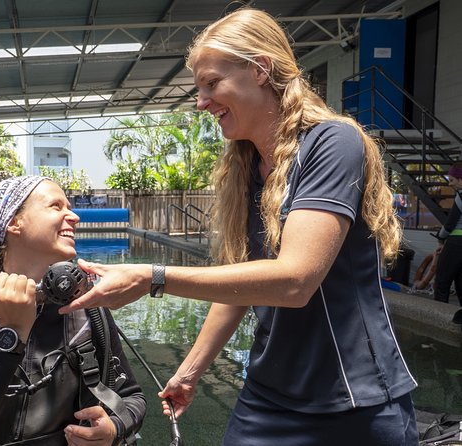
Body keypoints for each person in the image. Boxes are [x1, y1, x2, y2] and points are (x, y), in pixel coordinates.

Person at [60, 7, 418, 446]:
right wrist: (190, 371)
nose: (201, 101)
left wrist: (153, 277)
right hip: (269, 393)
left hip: (353, 397)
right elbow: (240, 283)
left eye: (212, 83)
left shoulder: (332, 144)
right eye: (199, 88)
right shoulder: (246, 169)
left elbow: (295, 281)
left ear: (261, 69)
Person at [0, 175, 146, 446]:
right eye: (56, 206)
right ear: (14, 222)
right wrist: (11, 335)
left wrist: (114, 428)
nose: (74, 216)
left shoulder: (86, 303)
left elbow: (132, 396)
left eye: (70, 207)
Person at [433, 162, 462, 306]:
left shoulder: (460, 197)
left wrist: (440, 238)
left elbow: (450, 224)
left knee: (442, 282)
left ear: (461, 180)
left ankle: (439, 319)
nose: (450, 184)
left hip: (456, 243)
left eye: (452, 180)